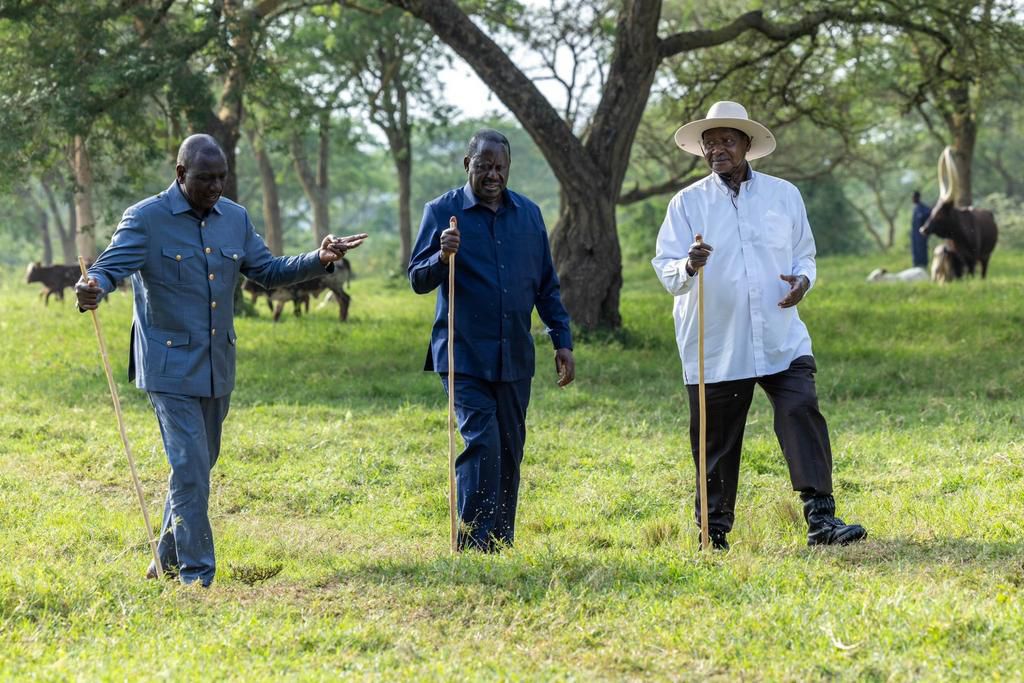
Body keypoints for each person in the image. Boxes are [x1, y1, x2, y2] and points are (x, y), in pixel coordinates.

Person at [76, 134, 367, 586]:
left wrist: (319, 258)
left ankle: (166, 557)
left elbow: (267, 271)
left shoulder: (235, 218)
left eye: (221, 178)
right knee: (190, 465)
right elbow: (109, 268)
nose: (215, 187)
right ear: (180, 175)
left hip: (217, 364)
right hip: (167, 366)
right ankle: (197, 577)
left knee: (198, 462)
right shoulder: (146, 219)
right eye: (205, 178)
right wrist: (92, 285)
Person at [652, 101, 866, 549]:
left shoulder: (783, 195)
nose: (717, 150)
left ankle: (821, 519)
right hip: (716, 342)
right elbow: (666, 266)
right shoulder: (687, 203)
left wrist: (804, 280)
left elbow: (804, 252)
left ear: (748, 144)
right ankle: (713, 534)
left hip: (779, 334)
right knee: (717, 440)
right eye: (709, 144)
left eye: (726, 141)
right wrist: (689, 265)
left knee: (801, 410)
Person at [408, 129, 575, 552]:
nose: (492, 175)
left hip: (515, 355)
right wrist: (441, 255)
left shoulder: (530, 215)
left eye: (500, 167)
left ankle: (501, 542)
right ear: (468, 165)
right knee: (482, 444)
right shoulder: (442, 211)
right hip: (463, 354)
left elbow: (546, 287)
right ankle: (474, 544)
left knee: (509, 449)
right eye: (484, 166)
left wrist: (562, 340)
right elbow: (417, 279)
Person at [911, 190, 932, 269]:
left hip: (922, 235)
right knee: (915, 251)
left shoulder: (924, 208)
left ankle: (923, 266)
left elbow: (929, 218)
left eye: (914, 197)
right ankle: (916, 266)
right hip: (915, 235)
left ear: (917, 197)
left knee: (922, 251)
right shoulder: (915, 208)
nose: (912, 199)